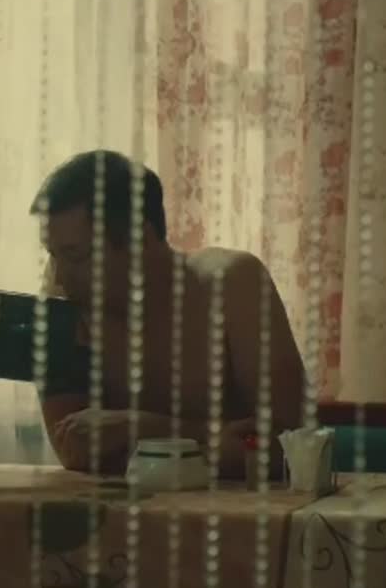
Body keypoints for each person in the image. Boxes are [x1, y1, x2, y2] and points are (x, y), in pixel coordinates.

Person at [32, 151, 305, 479]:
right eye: (53, 255)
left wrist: (141, 427)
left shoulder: (232, 287)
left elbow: (292, 445)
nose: (60, 276)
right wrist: (213, 439)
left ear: (141, 240)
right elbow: (75, 451)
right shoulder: (64, 304)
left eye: (77, 257)